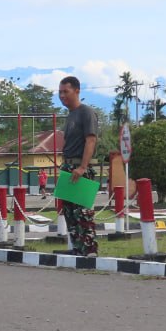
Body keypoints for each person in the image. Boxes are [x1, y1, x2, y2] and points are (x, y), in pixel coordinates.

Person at [56, 76, 98, 257]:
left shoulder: (86, 112)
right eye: (60, 92)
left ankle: (89, 250)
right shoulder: (70, 115)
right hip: (67, 167)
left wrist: (82, 167)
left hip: (80, 168)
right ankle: (77, 247)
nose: (62, 95)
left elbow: (91, 140)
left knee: (82, 212)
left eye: (66, 91)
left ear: (77, 91)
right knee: (70, 213)